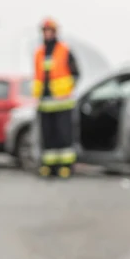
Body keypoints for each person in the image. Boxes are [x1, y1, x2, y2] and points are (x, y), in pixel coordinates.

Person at [33, 18, 80, 178]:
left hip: (62, 103)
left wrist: (66, 89)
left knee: (64, 136)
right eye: (45, 31)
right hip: (45, 103)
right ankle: (48, 166)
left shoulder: (64, 50)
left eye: (50, 31)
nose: (47, 34)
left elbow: (76, 74)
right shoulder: (39, 52)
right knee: (47, 136)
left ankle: (65, 166)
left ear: (55, 32)